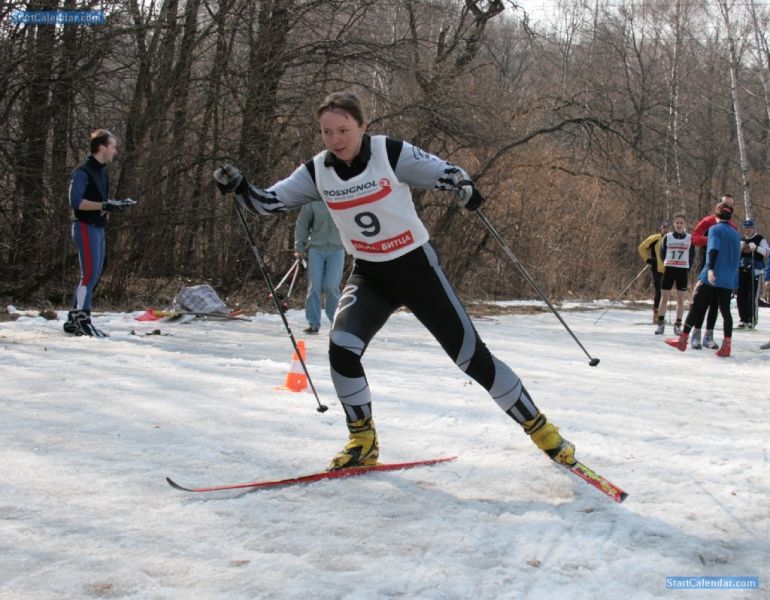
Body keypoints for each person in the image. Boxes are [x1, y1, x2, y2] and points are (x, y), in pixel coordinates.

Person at [213, 90, 577, 471]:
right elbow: (268, 202)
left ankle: (544, 433)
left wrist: (462, 187)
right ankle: (362, 441)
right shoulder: (318, 171)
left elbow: (446, 172)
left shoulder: (389, 152)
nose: (336, 140)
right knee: (342, 347)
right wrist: (240, 187)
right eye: (326, 132)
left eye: (343, 130)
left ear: (362, 127)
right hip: (371, 274)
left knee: (472, 360)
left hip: (417, 270)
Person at [63, 129, 134, 337]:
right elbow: (75, 202)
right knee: (89, 275)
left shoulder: (101, 171)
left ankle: (73, 319)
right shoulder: (83, 171)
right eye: (113, 146)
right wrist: (103, 205)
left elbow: (99, 202)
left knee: (94, 273)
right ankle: (82, 319)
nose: (116, 151)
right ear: (102, 147)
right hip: (85, 226)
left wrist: (113, 205)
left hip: (98, 227)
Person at [666, 200, 740, 357]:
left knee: (697, 306)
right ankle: (727, 346)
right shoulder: (735, 233)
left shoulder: (714, 229)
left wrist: (711, 269)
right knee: (726, 311)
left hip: (711, 276)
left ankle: (683, 339)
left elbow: (713, 248)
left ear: (716, 215)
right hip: (728, 278)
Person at [689, 194, 738, 349]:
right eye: (725, 204)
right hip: (707, 263)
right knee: (701, 302)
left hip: (723, 271)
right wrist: (710, 240)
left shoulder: (733, 227)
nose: (728, 208)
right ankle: (695, 334)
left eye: (731, 206)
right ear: (719, 206)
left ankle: (708, 335)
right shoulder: (709, 222)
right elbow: (694, 238)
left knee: (716, 304)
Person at [294, 201, 345, 334]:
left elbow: (352, 223)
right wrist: (299, 247)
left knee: (331, 286)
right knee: (314, 286)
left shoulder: (342, 196)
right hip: (316, 249)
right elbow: (302, 224)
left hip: (337, 249)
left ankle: (336, 324)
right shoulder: (312, 201)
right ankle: (313, 324)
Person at [655, 214, 694, 335]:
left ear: (685, 224)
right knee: (664, 297)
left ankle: (678, 324)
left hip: (682, 270)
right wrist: (667, 263)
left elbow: (692, 255)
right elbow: (662, 253)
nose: (679, 225)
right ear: (674, 224)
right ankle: (661, 323)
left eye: (681, 222)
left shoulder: (689, 238)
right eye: (677, 222)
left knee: (680, 299)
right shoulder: (668, 237)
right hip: (669, 269)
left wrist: (687, 268)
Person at [736, 219, 768, 329]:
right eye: (746, 228)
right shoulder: (741, 239)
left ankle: (752, 319)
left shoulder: (760, 239)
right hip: (742, 270)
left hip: (755, 271)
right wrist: (738, 248)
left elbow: (767, 252)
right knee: (741, 295)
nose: (748, 230)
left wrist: (757, 248)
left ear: (753, 228)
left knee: (753, 295)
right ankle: (743, 319)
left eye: (749, 228)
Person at [638, 221, 670, 324]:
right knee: (659, 292)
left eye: (668, 227)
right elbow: (641, 248)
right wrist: (648, 260)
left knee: (666, 294)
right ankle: (656, 315)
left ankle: (662, 316)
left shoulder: (673, 239)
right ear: (661, 228)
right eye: (664, 227)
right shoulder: (655, 238)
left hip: (669, 270)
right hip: (657, 269)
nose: (666, 229)